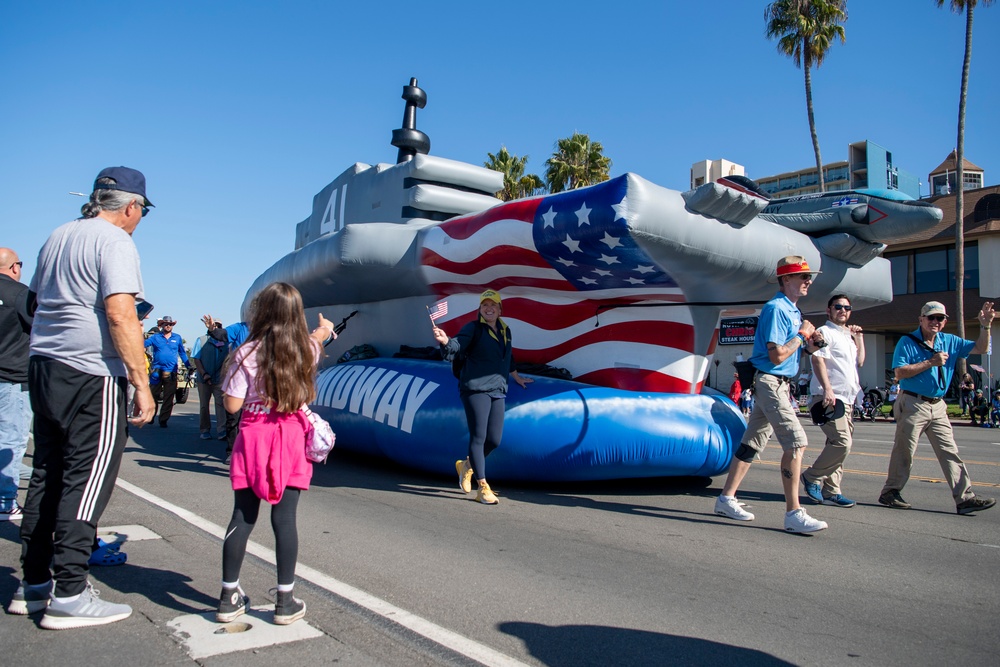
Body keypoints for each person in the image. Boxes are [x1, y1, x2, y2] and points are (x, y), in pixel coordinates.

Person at [8, 167, 155, 628]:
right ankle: (70, 591)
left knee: (46, 475)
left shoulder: (58, 235)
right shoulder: (116, 243)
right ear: (130, 207)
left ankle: (35, 585)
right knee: (87, 481)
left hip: (44, 366)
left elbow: (32, 304)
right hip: (91, 372)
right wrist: (141, 382)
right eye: (142, 211)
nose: (139, 220)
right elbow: (120, 312)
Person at [216, 282, 335, 625]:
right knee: (284, 519)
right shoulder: (307, 350)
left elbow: (232, 404)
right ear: (296, 314)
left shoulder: (246, 352)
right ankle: (285, 600)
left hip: (253, 435)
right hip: (291, 435)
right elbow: (319, 338)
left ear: (262, 311)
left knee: (243, 515)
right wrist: (324, 330)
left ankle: (228, 596)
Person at [713, 256, 828, 533]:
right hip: (771, 382)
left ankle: (726, 499)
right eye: (802, 277)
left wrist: (811, 345)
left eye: (808, 277)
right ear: (786, 279)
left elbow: (788, 353)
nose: (808, 281)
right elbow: (777, 355)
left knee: (751, 443)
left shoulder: (791, 310)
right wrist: (801, 336)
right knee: (797, 444)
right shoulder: (777, 308)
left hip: (776, 383)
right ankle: (794, 513)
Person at [878, 301, 996, 514]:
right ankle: (891, 491)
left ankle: (964, 497)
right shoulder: (908, 341)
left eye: (939, 318)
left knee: (949, 451)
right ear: (921, 319)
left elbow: (980, 347)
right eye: (930, 317)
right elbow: (899, 373)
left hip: (938, 405)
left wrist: (986, 326)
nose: (935, 321)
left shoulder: (949, 340)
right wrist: (930, 362)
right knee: (905, 450)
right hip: (913, 402)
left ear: (944, 321)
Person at [432, 289, 532, 505]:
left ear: (499, 309)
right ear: (480, 309)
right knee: (478, 436)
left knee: (494, 439)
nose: (489, 309)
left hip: (497, 389)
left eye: (493, 305)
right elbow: (456, 346)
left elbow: (507, 356)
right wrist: (445, 341)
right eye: (485, 305)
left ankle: (466, 465)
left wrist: (516, 376)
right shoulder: (473, 328)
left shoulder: (505, 330)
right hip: (475, 388)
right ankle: (483, 486)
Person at [801, 295, 864, 509]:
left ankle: (832, 491)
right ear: (829, 310)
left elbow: (860, 361)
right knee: (842, 443)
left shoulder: (847, 336)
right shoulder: (825, 332)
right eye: (838, 307)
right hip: (829, 398)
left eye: (847, 307)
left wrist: (859, 337)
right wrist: (828, 389)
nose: (843, 310)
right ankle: (811, 477)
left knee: (836, 446)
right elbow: (817, 359)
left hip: (848, 400)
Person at [0, 248, 33, 521]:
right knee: (11, 439)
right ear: (14, 267)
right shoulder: (19, 293)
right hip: (13, 377)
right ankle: (5, 500)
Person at [144, 315, 191, 428]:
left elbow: (182, 353)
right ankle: (151, 416)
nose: (168, 326)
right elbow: (143, 344)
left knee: (168, 397)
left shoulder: (177, 338)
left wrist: (189, 366)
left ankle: (163, 419)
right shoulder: (155, 337)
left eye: (170, 324)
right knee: (152, 395)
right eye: (166, 324)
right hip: (157, 370)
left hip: (171, 371)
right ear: (161, 325)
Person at [192, 322, 230, 441]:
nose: (216, 328)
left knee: (220, 404)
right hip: (204, 379)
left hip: (219, 379)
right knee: (204, 405)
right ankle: (205, 430)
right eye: (214, 326)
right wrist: (204, 374)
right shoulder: (201, 340)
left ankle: (221, 430)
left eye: (219, 326)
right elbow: (197, 359)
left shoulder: (226, 343)